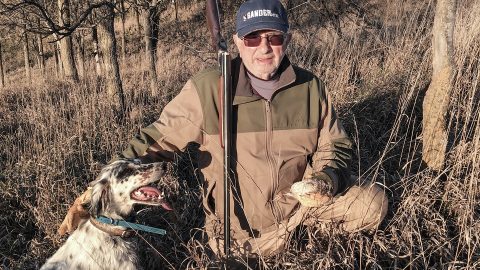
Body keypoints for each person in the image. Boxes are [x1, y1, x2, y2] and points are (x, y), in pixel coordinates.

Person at [59, 0, 388, 259]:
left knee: (373, 204)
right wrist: (101, 184)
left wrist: (327, 179)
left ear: (286, 39)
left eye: (274, 37)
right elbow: (156, 140)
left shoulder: (310, 87)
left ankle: (308, 246)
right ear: (237, 42)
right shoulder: (208, 88)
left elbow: (336, 146)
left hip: (298, 216)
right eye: (252, 37)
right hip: (234, 236)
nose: (264, 47)